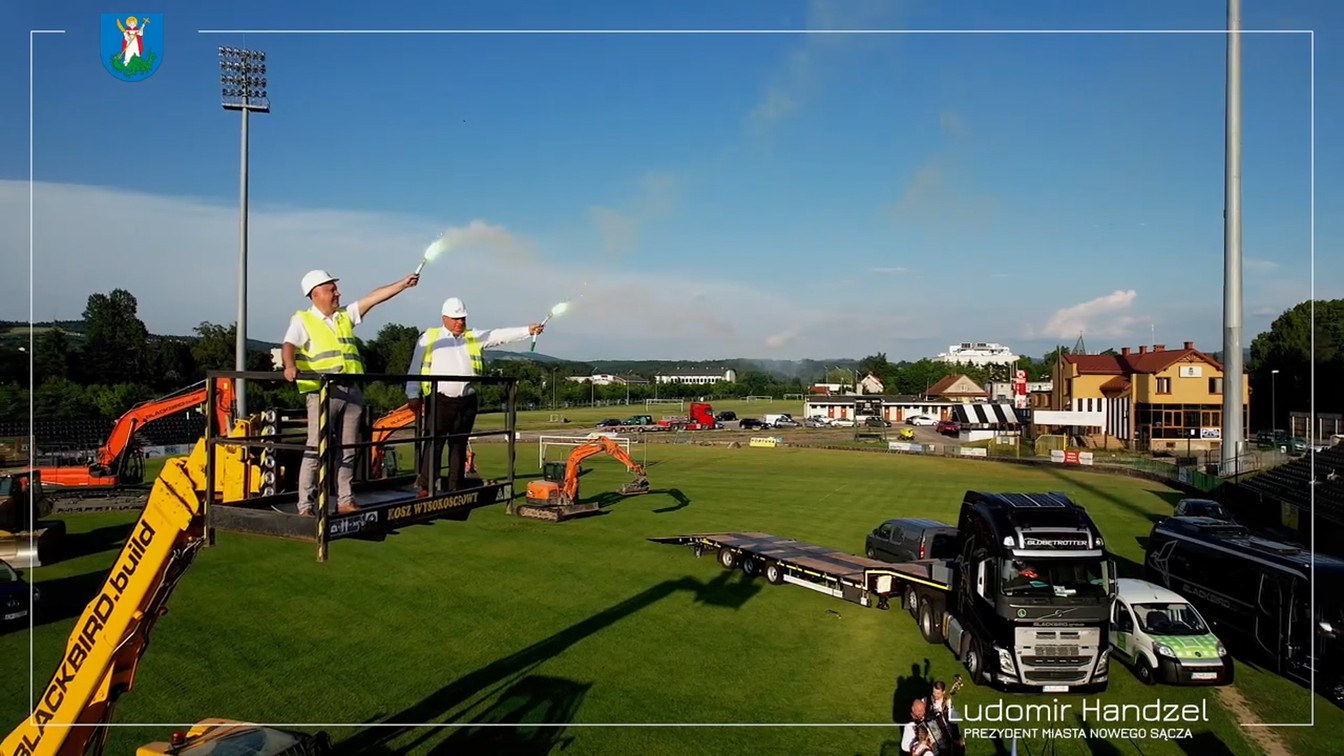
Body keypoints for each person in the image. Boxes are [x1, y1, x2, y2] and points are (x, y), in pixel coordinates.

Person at [282, 268, 418, 516]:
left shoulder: (344, 316)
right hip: (324, 392)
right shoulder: (303, 319)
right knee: (316, 448)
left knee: (349, 448)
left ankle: (345, 499)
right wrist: (289, 365)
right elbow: (289, 344)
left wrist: (402, 284)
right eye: (332, 289)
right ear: (316, 293)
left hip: (351, 390)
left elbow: (373, 298)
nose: (338, 293)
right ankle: (306, 506)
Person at [405, 297, 543, 495]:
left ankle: (455, 486)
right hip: (440, 399)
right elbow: (415, 367)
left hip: (467, 400)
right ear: (444, 318)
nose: (460, 322)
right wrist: (412, 394)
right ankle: (426, 486)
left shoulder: (473, 337)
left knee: (459, 445)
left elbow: (498, 335)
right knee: (434, 443)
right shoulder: (429, 337)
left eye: (462, 318)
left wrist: (527, 331)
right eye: (456, 318)